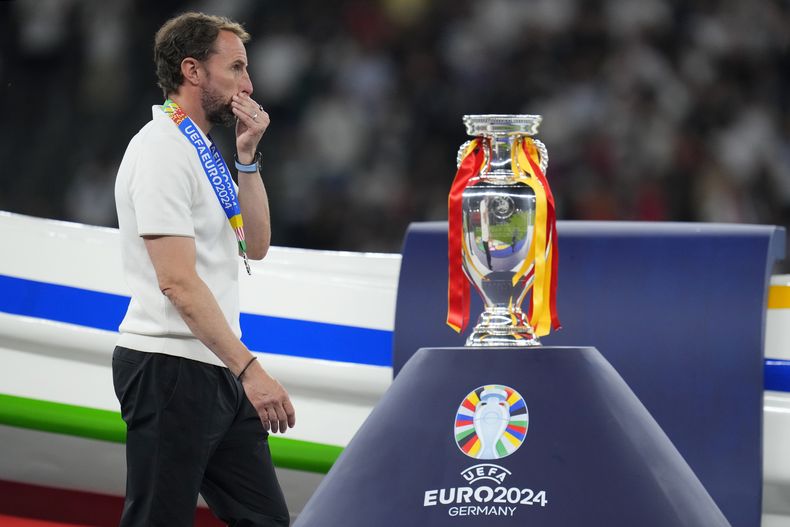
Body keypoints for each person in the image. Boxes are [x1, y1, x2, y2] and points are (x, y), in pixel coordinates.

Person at [113, 12, 294, 526]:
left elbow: (255, 245)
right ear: (193, 71)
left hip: (213, 366)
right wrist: (250, 369)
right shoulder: (161, 150)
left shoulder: (202, 151)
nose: (249, 84)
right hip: (169, 365)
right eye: (236, 67)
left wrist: (247, 156)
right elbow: (176, 280)